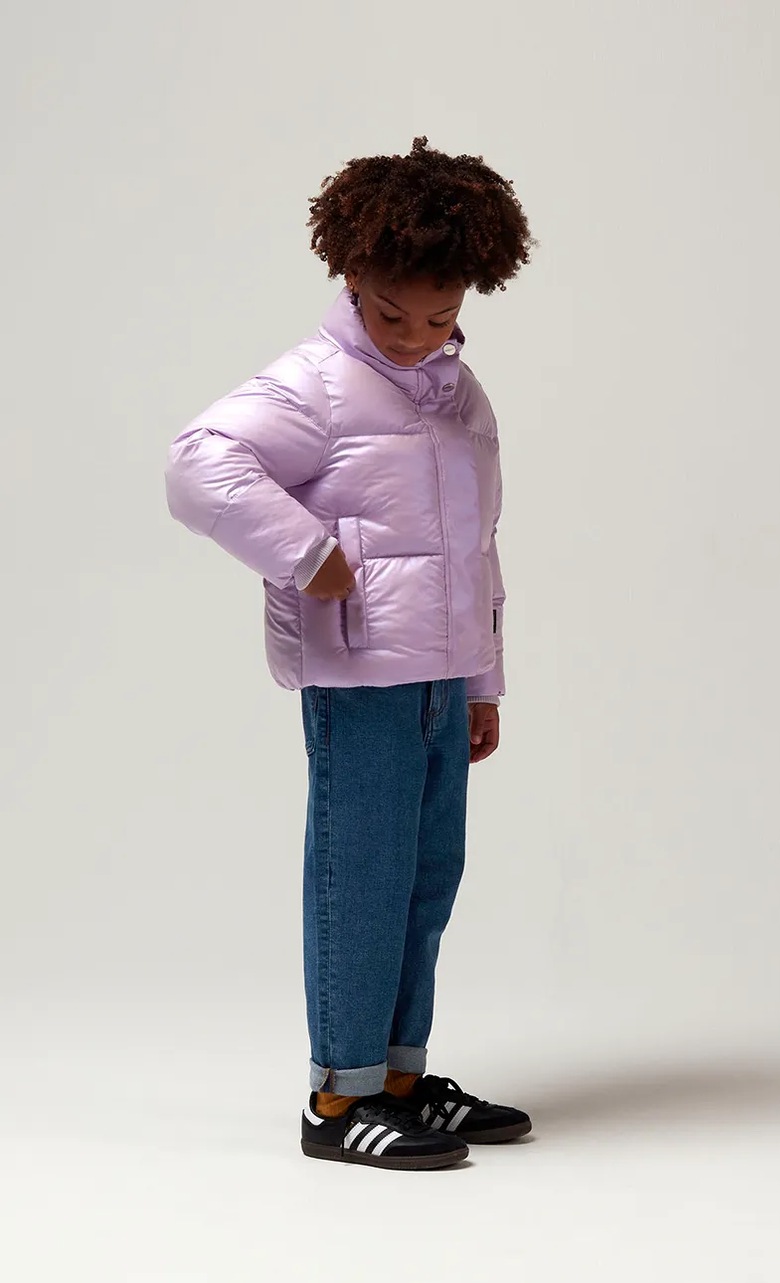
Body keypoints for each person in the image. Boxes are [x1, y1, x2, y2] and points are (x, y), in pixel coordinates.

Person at [165, 137, 534, 1171]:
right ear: (352, 278)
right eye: (390, 314)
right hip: (360, 680)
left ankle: (402, 1081)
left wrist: (482, 679)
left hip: (438, 680)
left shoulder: (460, 395)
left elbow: (475, 546)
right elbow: (198, 463)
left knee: (426, 879)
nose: (416, 336)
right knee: (359, 879)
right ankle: (341, 1096)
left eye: (440, 316)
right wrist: (304, 552)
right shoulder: (315, 385)